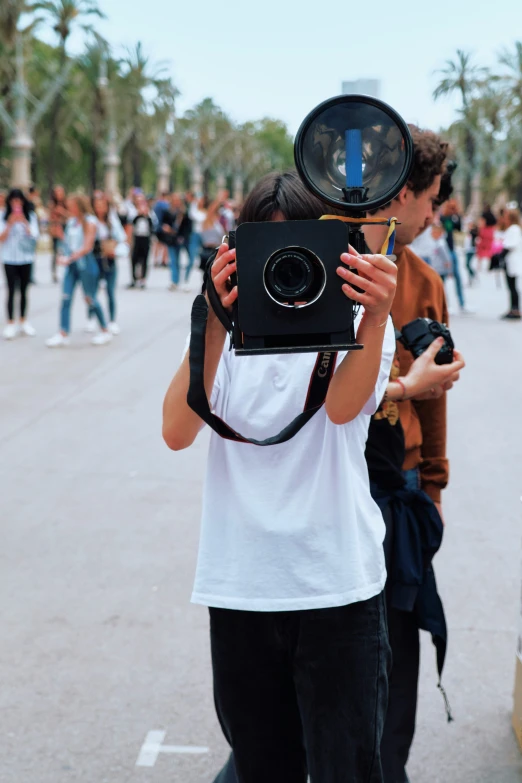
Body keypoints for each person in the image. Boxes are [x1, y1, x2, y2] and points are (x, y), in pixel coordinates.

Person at [163, 170, 399, 783]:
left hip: (337, 588)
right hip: (242, 587)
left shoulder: (362, 323)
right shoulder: (223, 328)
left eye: (298, 248)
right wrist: (214, 317)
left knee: (348, 769)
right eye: (266, 252)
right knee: (262, 769)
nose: (285, 267)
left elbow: (344, 408)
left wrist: (372, 319)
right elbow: (176, 431)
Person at [46, 194, 112, 347]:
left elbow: (87, 246)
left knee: (90, 298)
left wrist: (70, 258)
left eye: (71, 205)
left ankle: (105, 329)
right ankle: (63, 332)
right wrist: (61, 246)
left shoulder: (90, 221)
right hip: (72, 266)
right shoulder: (71, 223)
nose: (69, 208)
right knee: (65, 297)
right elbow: (69, 245)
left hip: (86, 265)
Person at [0, 188, 39, 339]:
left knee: (23, 290)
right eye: (14, 201)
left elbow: (35, 235)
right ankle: (10, 323)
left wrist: (23, 222)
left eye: (19, 200)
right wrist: (9, 224)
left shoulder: (30, 216)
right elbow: (1, 238)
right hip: (9, 258)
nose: (17, 203)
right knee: (11, 290)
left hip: (26, 258)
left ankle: (23, 320)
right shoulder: (3, 216)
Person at [89, 193, 127, 333]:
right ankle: (92, 317)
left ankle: (111, 320)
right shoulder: (91, 221)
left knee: (110, 291)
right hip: (95, 259)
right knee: (92, 291)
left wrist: (115, 250)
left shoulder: (112, 222)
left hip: (109, 260)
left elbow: (122, 238)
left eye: (102, 205)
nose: (100, 208)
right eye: (97, 205)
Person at [440, 199, 470, 313]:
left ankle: (462, 303)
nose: (453, 209)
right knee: (442, 278)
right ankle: (445, 304)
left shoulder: (453, 218)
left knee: (457, 277)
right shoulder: (443, 218)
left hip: (452, 250)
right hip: (443, 251)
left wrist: (457, 214)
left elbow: (459, 228)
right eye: (451, 207)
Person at [161, 193, 191, 291]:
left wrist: (183, 237)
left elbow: (187, 227)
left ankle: (179, 280)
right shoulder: (168, 212)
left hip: (180, 239)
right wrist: (166, 229)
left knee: (179, 260)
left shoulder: (183, 213)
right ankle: (174, 281)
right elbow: (163, 224)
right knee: (173, 260)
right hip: (171, 239)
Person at [129, 194, 156, 289]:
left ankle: (143, 279)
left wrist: (146, 216)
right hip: (136, 238)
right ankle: (133, 279)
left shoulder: (150, 213)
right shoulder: (133, 212)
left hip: (145, 238)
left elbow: (153, 225)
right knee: (134, 258)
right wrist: (138, 215)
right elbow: (130, 224)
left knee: (144, 259)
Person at [501, 207, 522, 320]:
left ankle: (516, 309)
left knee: (513, 287)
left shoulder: (514, 229)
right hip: (510, 261)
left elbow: (510, 245)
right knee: (511, 287)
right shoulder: (513, 228)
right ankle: (512, 308)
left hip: (513, 261)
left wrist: (501, 254)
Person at [48, 185, 68, 283]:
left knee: (66, 251)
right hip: (56, 230)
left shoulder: (66, 203)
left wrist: (62, 212)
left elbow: (70, 215)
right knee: (55, 252)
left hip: (66, 229)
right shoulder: (52, 204)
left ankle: (66, 271)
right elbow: (50, 218)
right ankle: (54, 273)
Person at [476, 205, 497, 272]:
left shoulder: (484, 216)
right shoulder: (492, 217)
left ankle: (480, 266)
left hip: (485, 231)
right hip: (490, 232)